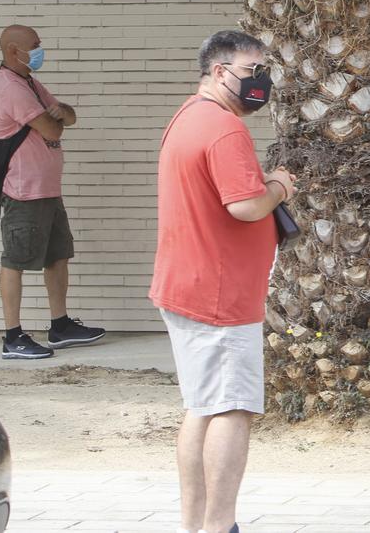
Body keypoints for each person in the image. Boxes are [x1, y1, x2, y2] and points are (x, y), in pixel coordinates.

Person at [150, 30, 295, 533]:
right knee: (232, 408)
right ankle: (220, 526)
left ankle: (196, 526)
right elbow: (246, 204)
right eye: (252, 72)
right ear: (218, 72)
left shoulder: (187, 117)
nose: (260, 82)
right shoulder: (225, 130)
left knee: (201, 408)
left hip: (187, 285)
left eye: (263, 72)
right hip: (218, 295)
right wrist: (278, 185)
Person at [0, 24, 106, 360]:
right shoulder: (10, 87)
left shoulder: (30, 83)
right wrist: (58, 117)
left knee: (57, 256)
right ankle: (12, 337)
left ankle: (60, 326)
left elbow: (69, 116)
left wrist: (62, 113)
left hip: (47, 190)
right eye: (34, 45)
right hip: (24, 192)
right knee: (15, 260)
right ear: (13, 50)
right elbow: (54, 126)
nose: (40, 50)